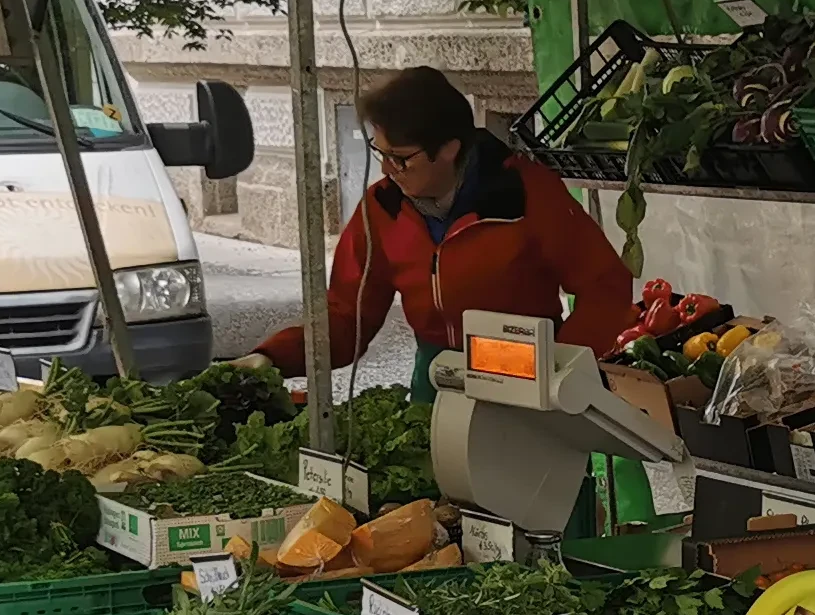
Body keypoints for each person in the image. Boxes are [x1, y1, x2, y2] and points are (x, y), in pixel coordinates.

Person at [256, 66, 633, 393]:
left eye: (401, 158)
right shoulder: (381, 207)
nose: (387, 170)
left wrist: (562, 367)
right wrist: (270, 358)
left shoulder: (527, 193)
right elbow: (345, 318)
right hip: (437, 380)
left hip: (531, 380)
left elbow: (606, 286)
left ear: (450, 148)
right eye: (381, 153)